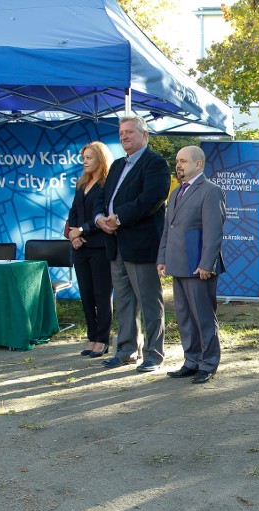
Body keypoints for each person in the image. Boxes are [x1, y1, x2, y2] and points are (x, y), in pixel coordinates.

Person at [94, 115, 169, 373]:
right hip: (115, 245)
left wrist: (119, 218)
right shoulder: (116, 166)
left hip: (141, 244)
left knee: (149, 302)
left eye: (129, 132)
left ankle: (154, 354)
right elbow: (102, 197)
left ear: (144, 135)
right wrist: (99, 219)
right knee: (124, 302)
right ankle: (126, 350)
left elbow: (152, 198)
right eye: (121, 133)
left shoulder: (155, 163)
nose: (124, 136)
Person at [159, 146, 225, 385]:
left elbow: (213, 232)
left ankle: (208, 363)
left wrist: (207, 263)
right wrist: (162, 258)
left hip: (199, 267)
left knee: (203, 317)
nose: (178, 165)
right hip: (178, 264)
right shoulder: (176, 192)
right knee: (185, 317)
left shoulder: (211, 191)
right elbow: (169, 228)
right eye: (177, 161)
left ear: (198, 164)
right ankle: (192, 361)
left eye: (183, 161)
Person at [67, 141, 114, 358]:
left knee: (101, 294)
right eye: (83, 157)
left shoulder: (107, 184)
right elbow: (74, 212)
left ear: (100, 159)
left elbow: (103, 215)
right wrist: (72, 235)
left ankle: (103, 339)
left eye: (89, 157)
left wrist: (82, 231)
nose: (85, 161)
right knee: (86, 295)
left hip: (99, 246)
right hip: (80, 248)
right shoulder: (81, 183)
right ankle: (92, 336)